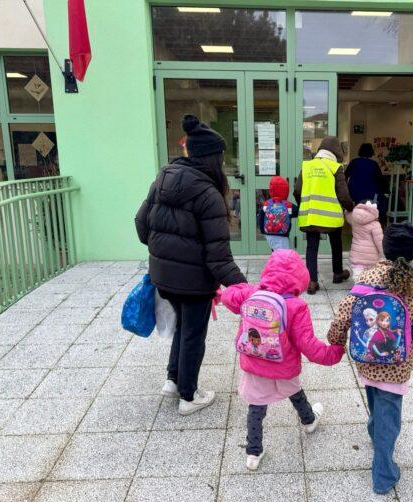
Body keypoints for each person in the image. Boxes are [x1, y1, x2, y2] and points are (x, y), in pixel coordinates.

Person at [135, 114, 246, 415]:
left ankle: (172, 380)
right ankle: (188, 395)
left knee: (182, 325)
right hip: (193, 282)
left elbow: (141, 224)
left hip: (163, 276)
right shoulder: (208, 193)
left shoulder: (163, 179)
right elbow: (218, 257)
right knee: (193, 334)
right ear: (212, 159)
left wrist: (165, 253)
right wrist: (246, 288)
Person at [328, 224, 413, 493]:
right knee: (390, 415)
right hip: (397, 364)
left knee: (375, 397)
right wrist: (412, 345)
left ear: (385, 248)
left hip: (367, 357)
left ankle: (375, 432)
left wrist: (335, 340)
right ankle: (383, 476)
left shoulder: (366, 277)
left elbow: (343, 314)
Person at [222, 249, 344, 471]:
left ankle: (253, 452)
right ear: (300, 278)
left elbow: (230, 296)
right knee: (295, 393)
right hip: (283, 365)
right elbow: (308, 345)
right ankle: (308, 421)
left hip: (254, 363)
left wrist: (232, 290)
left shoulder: (251, 293)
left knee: (256, 406)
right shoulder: (296, 306)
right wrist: (334, 353)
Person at [294, 136, 355, 294]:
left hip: (310, 216)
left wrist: (304, 206)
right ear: (336, 152)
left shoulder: (306, 166)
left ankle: (312, 282)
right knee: (336, 243)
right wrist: (351, 207)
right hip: (331, 216)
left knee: (311, 248)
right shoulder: (335, 167)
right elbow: (343, 194)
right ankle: (337, 273)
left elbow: (297, 191)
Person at [345, 143, 388, 217]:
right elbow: (380, 180)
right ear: (371, 152)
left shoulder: (354, 162)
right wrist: (386, 191)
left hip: (355, 194)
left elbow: (345, 176)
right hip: (370, 195)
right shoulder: (373, 164)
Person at [347, 200, 384, 279]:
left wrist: (348, 209)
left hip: (356, 253)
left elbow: (347, 215)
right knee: (371, 276)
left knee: (357, 272)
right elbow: (380, 242)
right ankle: (367, 287)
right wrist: (382, 254)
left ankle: (357, 285)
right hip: (371, 256)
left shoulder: (353, 219)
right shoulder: (375, 224)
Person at [258, 175, 294, 251]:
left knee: (275, 253)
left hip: (269, 234)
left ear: (271, 190)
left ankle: (274, 262)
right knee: (283, 256)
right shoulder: (288, 205)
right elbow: (297, 212)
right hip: (283, 235)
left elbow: (260, 218)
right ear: (286, 190)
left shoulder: (266, 204)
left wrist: (263, 230)